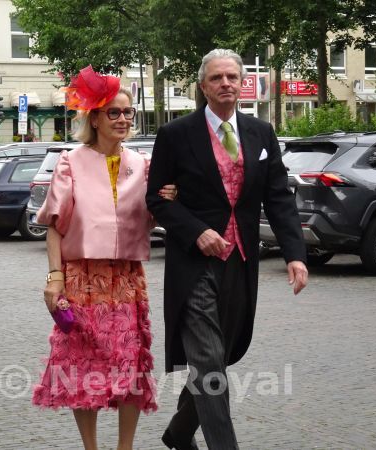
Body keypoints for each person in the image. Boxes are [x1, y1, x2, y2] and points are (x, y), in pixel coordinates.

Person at [146, 49, 309, 449]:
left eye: (232, 77)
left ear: (242, 83)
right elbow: (157, 198)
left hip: (240, 261)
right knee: (208, 359)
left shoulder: (260, 133)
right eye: (217, 78)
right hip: (194, 266)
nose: (226, 84)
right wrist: (196, 230)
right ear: (203, 86)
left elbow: (278, 198)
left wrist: (295, 254)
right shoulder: (176, 134)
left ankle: (179, 433)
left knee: (221, 357)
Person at [32, 66, 176, 450]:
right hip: (81, 279)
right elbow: (54, 226)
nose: (123, 119)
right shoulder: (70, 162)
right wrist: (54, 278)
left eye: (128, 112)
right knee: (83, 368)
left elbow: (157, 214)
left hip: (127, 278)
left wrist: (170, 201)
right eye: (114, 112)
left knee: (131, 365)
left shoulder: (143, 165)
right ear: (94, 118)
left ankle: (124, 447)